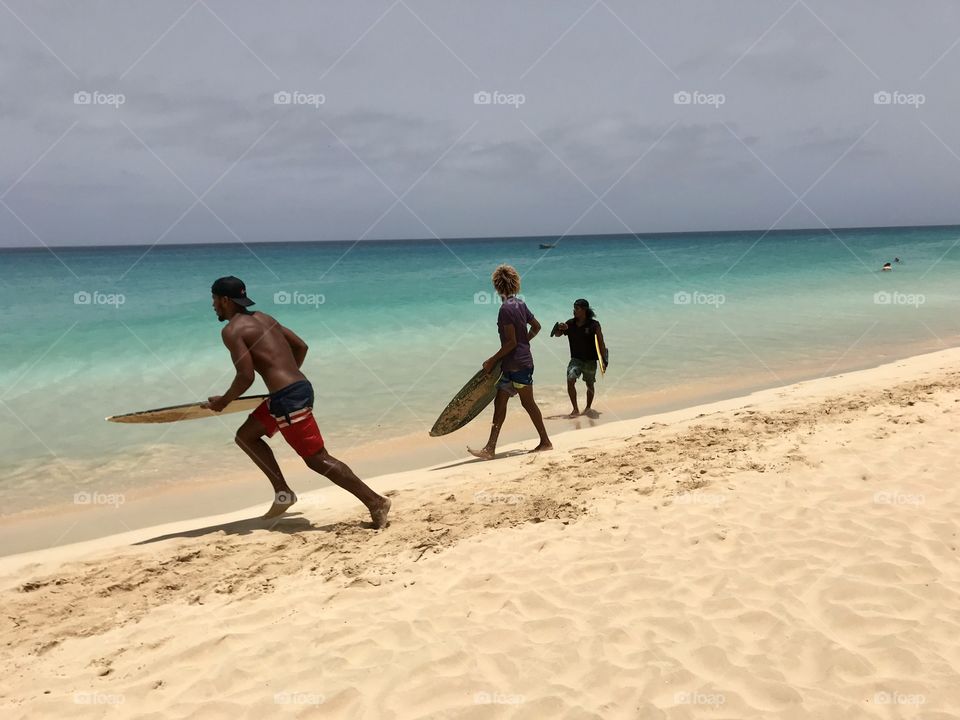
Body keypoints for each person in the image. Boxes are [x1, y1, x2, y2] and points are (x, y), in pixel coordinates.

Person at [203, 276, 391, 526]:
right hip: (296, 390)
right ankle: (283, 493)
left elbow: (245, 376)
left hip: (288, 399)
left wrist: (223, 401)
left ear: (225, 300)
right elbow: (301, 346)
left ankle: (375, 501)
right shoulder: (264, 318)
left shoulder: (231, 330)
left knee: (316, 458)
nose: (214, 305)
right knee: (246, 436)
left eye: (214, 299)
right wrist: (289, 376)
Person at [468, 265, 552, 460]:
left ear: (497, 286)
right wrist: (525, 341)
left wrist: (491, 360)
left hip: (518, 366)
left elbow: (511, 343)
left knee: (528, 403)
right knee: (500, 403)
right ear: (515, 283)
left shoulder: (505, 309)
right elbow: (537, 327)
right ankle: (490, 448)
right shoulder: (520, 304)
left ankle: (546, 441)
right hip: (515, 365)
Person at [551, 298, 608, 417]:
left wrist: (603, 359)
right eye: (574, 308)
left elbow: (601, 343)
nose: (574, 311)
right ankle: (575, 409)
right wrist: (558, 328)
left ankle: (588, 408)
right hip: (576, 359)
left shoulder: (594, 325)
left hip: (590, 360)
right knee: (570, 379)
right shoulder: (570, 324)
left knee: (590, 384)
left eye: (577, 308)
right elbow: (557, 335)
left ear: (584, 310)